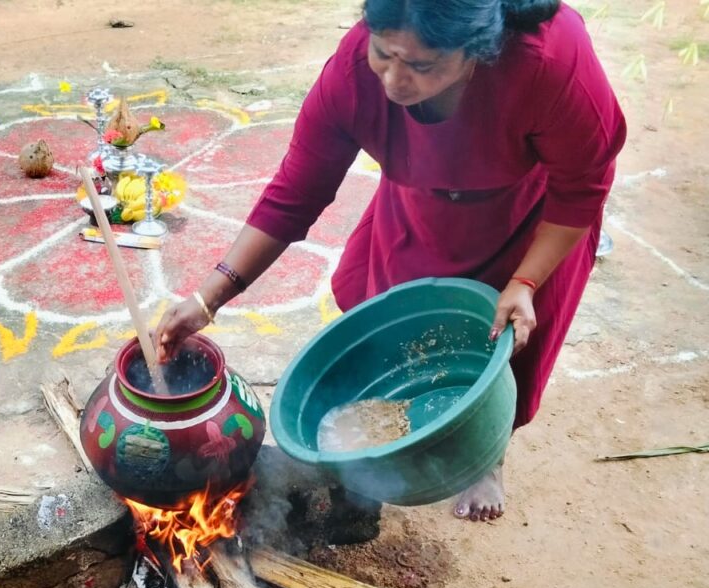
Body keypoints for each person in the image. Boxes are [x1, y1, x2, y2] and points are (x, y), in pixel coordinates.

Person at [155, 0, 626, 522]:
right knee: (395, 326)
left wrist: (526, 280)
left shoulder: (548, 61)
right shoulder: (355, 72)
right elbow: (297, 191)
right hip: (420, 205)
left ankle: (486, 454)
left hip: (530, 223)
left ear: (479, 52)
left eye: (422, 66)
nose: (396, 81)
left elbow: (583, 186)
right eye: (385, 53)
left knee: (505, 345)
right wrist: (209, 296)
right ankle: (383, 459)